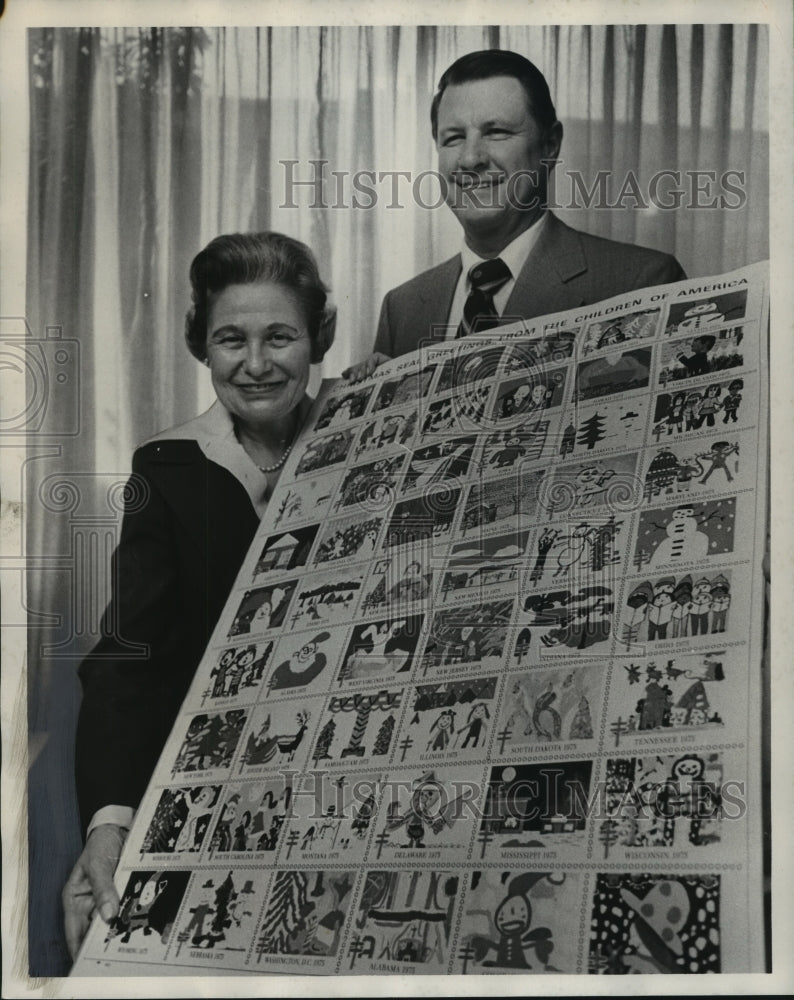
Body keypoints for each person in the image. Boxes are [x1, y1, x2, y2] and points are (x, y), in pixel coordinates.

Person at [62, 231, 335, 959]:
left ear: (318, 339)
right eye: (229, 340)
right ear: (200, 347)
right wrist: (110, 822)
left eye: (280, 337)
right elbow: (130, 656)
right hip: (217, 783)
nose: (254, 364)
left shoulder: (367, 429)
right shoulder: (168, 465)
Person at [344, 49, 685, 380]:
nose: (470, 159)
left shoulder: (643, 282)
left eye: (497, 132)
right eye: (453, 138)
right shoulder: (401, 309)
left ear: (550, 145)